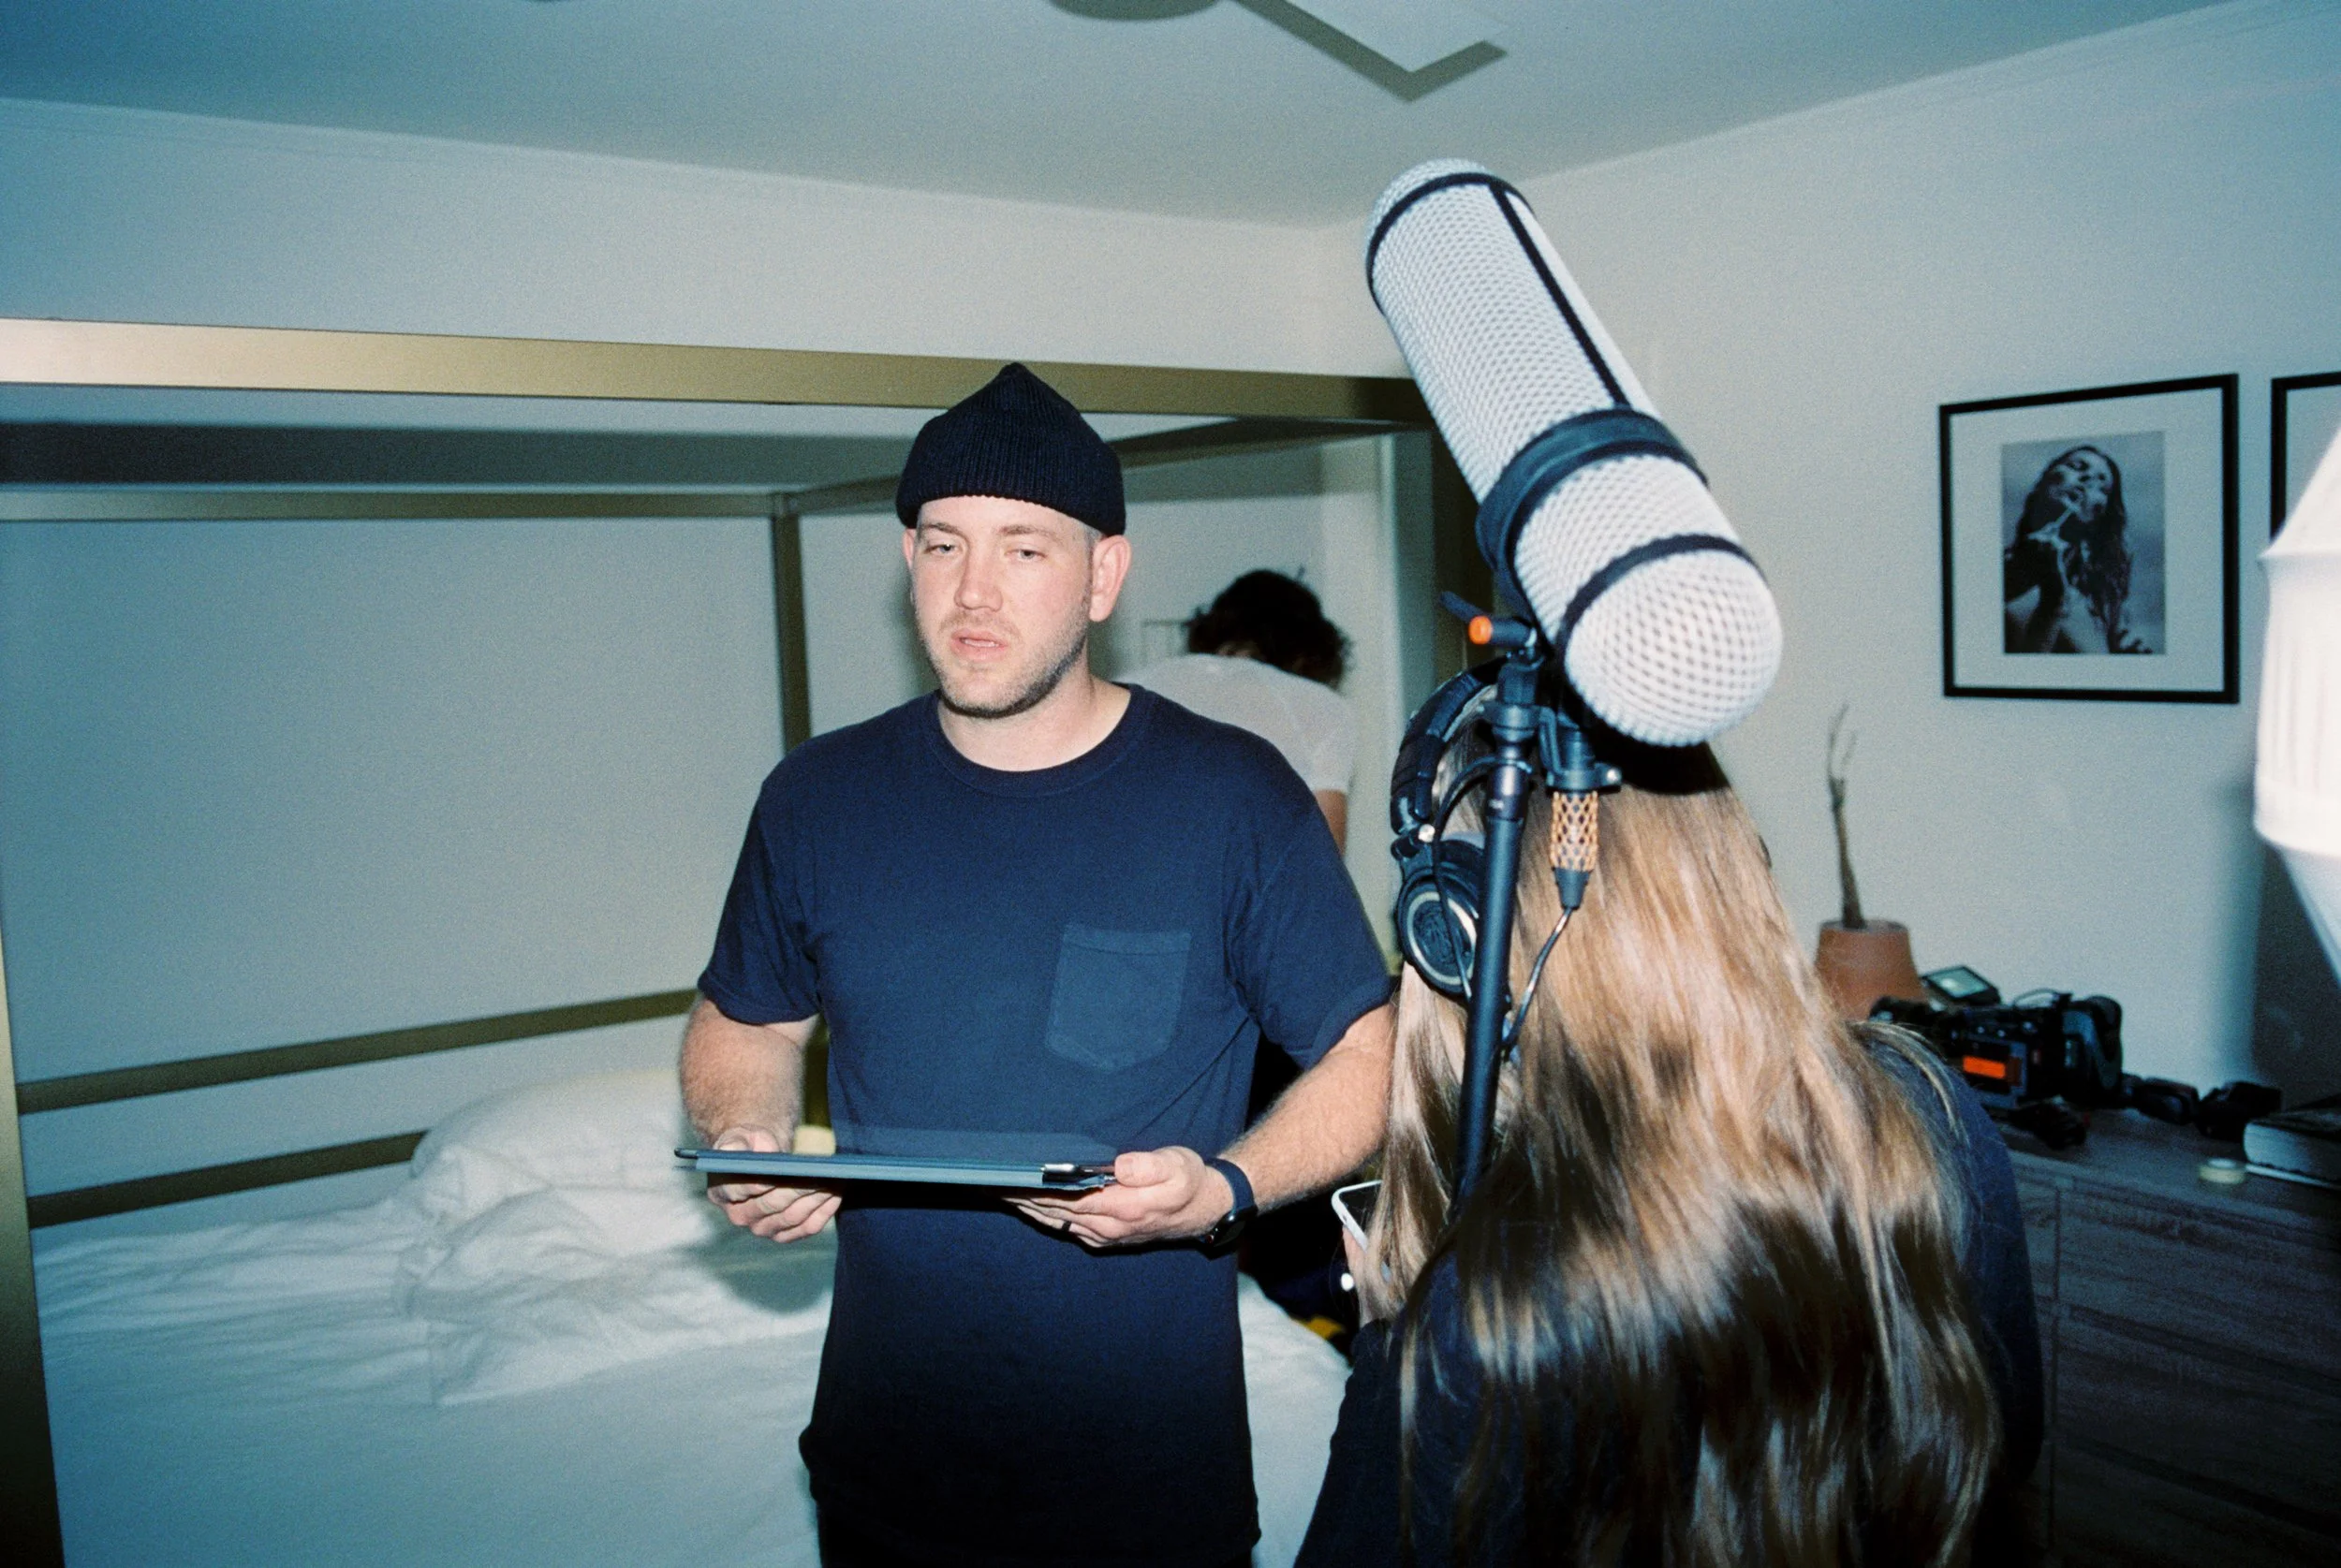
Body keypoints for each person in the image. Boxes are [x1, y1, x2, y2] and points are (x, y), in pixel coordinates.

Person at [680, 363, 1395, 1568]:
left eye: (1023, 550)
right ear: (906, 558)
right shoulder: (817, 798)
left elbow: (1369, 1056)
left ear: (1102, 573)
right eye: (943, 543)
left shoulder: (1231, 800)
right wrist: (744, 1130)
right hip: (882, 1471)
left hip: (1144, 1488)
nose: (972, 590)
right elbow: (741, 1021)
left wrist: (1225, 1186)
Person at [1297, 734, 2041, 1567]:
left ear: (1462, 933)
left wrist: (1387, 1350)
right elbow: (2004, 1436)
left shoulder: (1488, 1309)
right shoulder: (1929, 1107)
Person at [1128, 570, 1358, 846]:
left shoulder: (1128, 686)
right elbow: (1324, 858)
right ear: (1306, 653)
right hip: (1250, 883)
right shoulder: (1324, 708)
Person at [2003, 444, 2152, 653]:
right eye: (2076, 467)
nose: (2088, 480)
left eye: (2103, 486)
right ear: (2042, 482)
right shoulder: (1995, 575)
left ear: (2099, 514)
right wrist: (2054, 601)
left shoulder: (2102, 602)